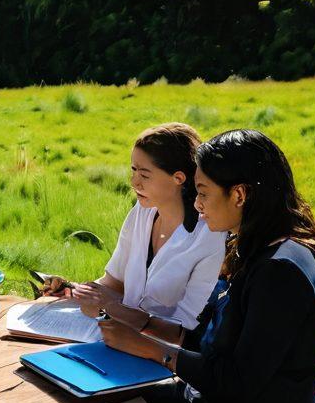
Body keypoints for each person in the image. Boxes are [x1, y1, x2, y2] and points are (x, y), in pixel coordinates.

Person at [99, 129, 315, 403]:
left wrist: (150, 348)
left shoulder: (281, 272)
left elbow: (236, 384)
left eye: (204, 193)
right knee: (108, 399)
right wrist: (143, 324)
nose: (197, 204)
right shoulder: (261, 248)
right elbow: (215, 340)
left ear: (239, 194)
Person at [41, 123, 226, 331]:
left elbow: (188, 327)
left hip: (161, 354)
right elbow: (113, 283)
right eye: (133, 170)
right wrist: (72, 291)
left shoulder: (210, 236)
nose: (134, 182)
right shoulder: (142, 211)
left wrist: (110, 310)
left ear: (178, 178)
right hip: (114, 335)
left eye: (144, 175)